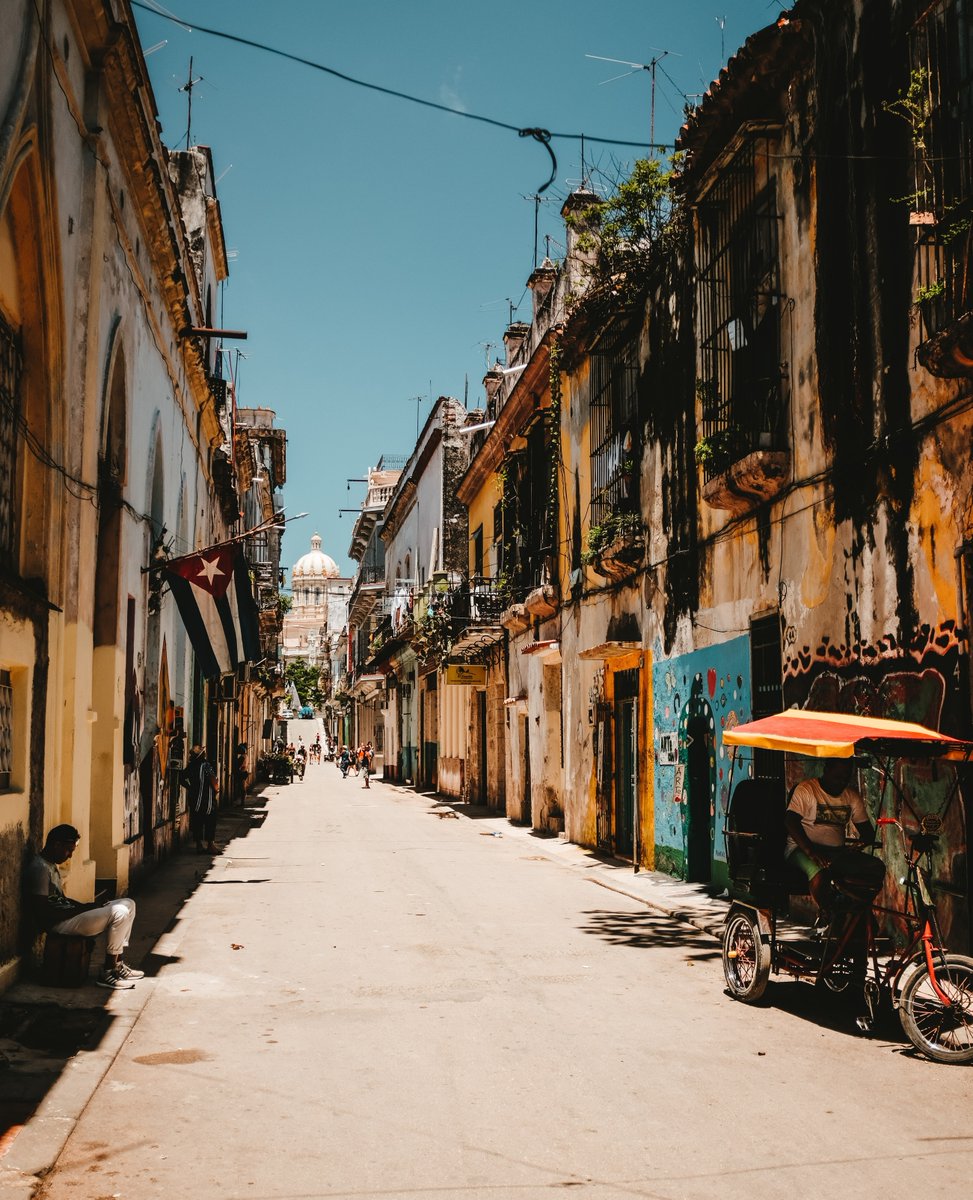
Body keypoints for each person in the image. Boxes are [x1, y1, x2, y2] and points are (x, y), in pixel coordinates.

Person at [23, 825, 144, 990]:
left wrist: (88, 906)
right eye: (68, 850)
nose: (70, 855)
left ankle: (118, 964)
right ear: (56, 844)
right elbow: (43, 912)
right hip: (57, 925)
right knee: (119, 912)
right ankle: (108, 971)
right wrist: (83, 909)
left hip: (67, 917)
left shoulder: (50, 865)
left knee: (128, 903)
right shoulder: (39, 869)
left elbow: (61, 900)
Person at [784, 758, 874, 911]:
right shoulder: (806, 789)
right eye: (837, 776)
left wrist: (858, 845)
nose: (841, 782)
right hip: (801, 849)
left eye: (846, 778)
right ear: (826, 770)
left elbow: (868, 833)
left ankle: (856, 910)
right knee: (821, 872)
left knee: (875, 868)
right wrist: (811, 851)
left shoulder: (852, 797)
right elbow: (790, 822)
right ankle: (826, 913)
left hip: (837, 852)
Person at [182, 744, 220, 853]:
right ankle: (210, 845)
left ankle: (199, 845)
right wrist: (216, 790)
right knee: (210, 821)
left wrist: (190, 787)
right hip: (207, 800)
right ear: (202, 755)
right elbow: (213, 780)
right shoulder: (206, 765)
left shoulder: (191, 766)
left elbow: (182, 778)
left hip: (194, 799)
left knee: (197, 821)